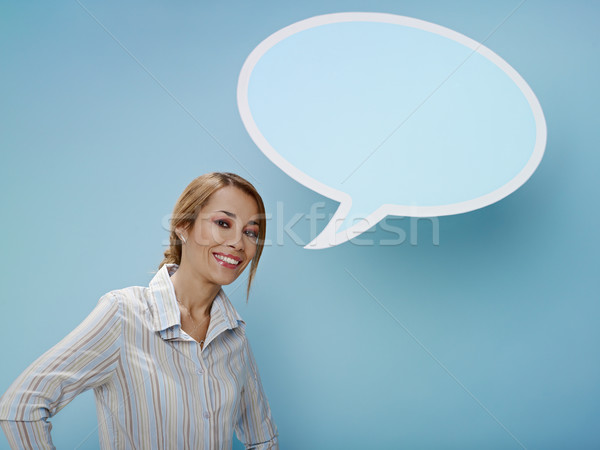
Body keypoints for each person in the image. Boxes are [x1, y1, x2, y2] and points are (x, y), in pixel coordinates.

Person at [0, 172, 279, 449]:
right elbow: (20, 408)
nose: (238, 243)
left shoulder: (234, 338)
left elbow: (263, 438)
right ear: (183, 226)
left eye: (250, 232)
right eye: (223, 223)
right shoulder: (122, 314)